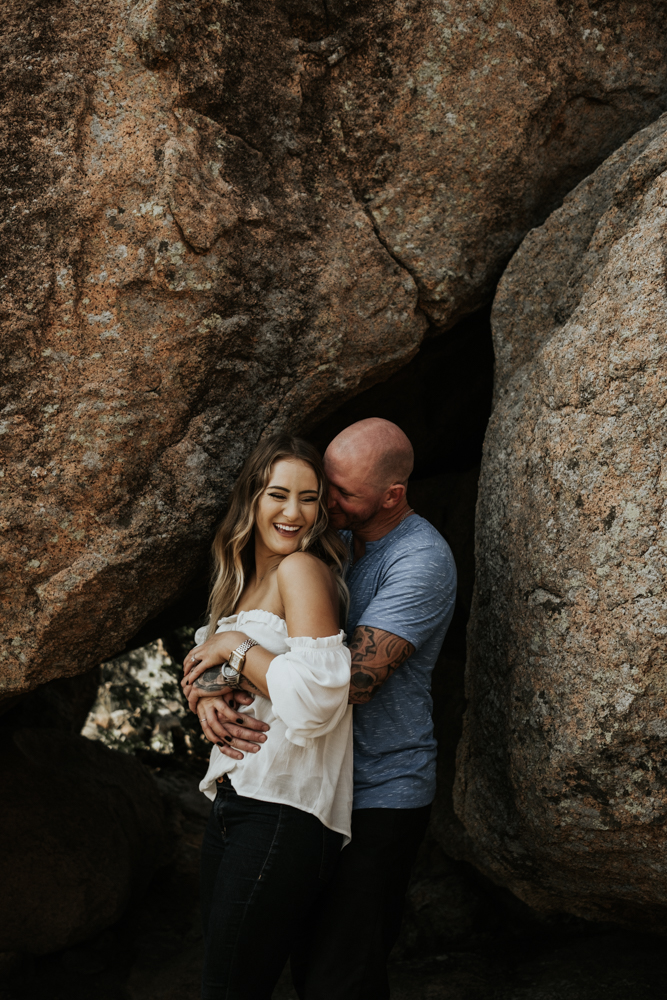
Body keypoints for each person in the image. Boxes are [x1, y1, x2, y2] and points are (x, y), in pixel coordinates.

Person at [192, 418, 457, 1000]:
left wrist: (235, 656)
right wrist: (207, 687)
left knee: (340, 977)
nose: (320, 505)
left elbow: (344, 688)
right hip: (301, 784)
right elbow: (248, 634)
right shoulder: (331, 540)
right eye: (320, 488)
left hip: (381, 789)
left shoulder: (419, 562)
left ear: (392, 496)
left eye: (336, 495)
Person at [181, 433, 354, 1000]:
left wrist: (235, 649)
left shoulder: (301, 570)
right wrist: (206, 695)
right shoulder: (239, 583)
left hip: (285, 808)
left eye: (309, 498)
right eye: (278, 494)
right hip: (235, 801)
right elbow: (204, 666)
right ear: (251, 501)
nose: (293, 512)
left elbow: (315, 703)